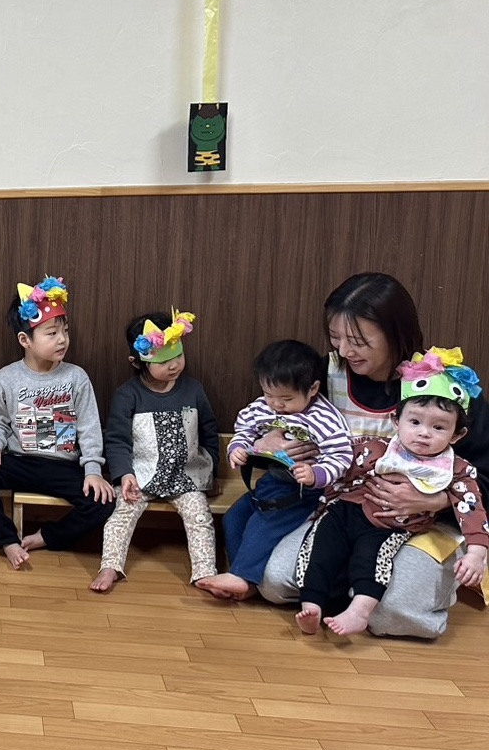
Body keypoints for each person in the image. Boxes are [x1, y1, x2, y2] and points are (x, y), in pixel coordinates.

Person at [255, 273, 489, 638]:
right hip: (345, 511)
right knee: (276, 582)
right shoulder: (324, 373)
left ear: (395, 334)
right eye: (336, 337)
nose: (345, 350)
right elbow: (274, 411)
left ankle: (371, 590)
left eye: (359, 341)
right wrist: (272, 437)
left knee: (392, 614)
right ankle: (355, 585)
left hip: (422, 523)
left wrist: (434, 500)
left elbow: (482, 477)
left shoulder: (445, 385)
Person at [295, 347, 489, 636]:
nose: (424, 432)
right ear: (396, 422)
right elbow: (340, 465)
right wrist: (314, 476)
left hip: (388, 526)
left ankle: (359, 612)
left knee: (371, 561)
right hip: (345, 511)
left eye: (438, 427)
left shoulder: (456, 470)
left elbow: (472, 510)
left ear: (457, 435)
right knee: (320, 550)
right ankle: (311, 606)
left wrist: (476, 553)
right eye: (415, 422)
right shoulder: (379, 449)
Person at [0, 278, 114, 570]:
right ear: (25, 340)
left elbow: (89, 429)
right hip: (20, 461)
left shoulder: (76, 377)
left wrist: (93, 471)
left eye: (65, 331)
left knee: (105, 501)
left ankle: (46, 537)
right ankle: (7, 540)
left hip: (62, 465)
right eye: (52, 333)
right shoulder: (6, 377)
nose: (62, 340)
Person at [197, 340, 353, 600]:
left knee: (264, 524)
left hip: (304, 493)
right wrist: (238, 448)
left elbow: (341, 455)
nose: (276, 405)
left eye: (286, 399)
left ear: (313, 389)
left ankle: (241, 576)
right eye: (269, 395)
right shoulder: (263, 406)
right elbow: (244, 429)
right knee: (233, 518)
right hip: (270, 483)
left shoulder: (324, 418)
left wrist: (316, 475)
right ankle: (243, 578)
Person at [92, 310, 219, 593]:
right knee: (120, 516)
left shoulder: (194, 390)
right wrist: (124, 474)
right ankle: (110, 566)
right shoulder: (128, 394)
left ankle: (205, 572)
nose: (173, 365)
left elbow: (209, 431)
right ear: (137, 362)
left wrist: (211, 473)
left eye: (178, 356)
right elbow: (117, 439)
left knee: (200, 518)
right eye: (162, 362)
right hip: (141, 475)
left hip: (186, 476)